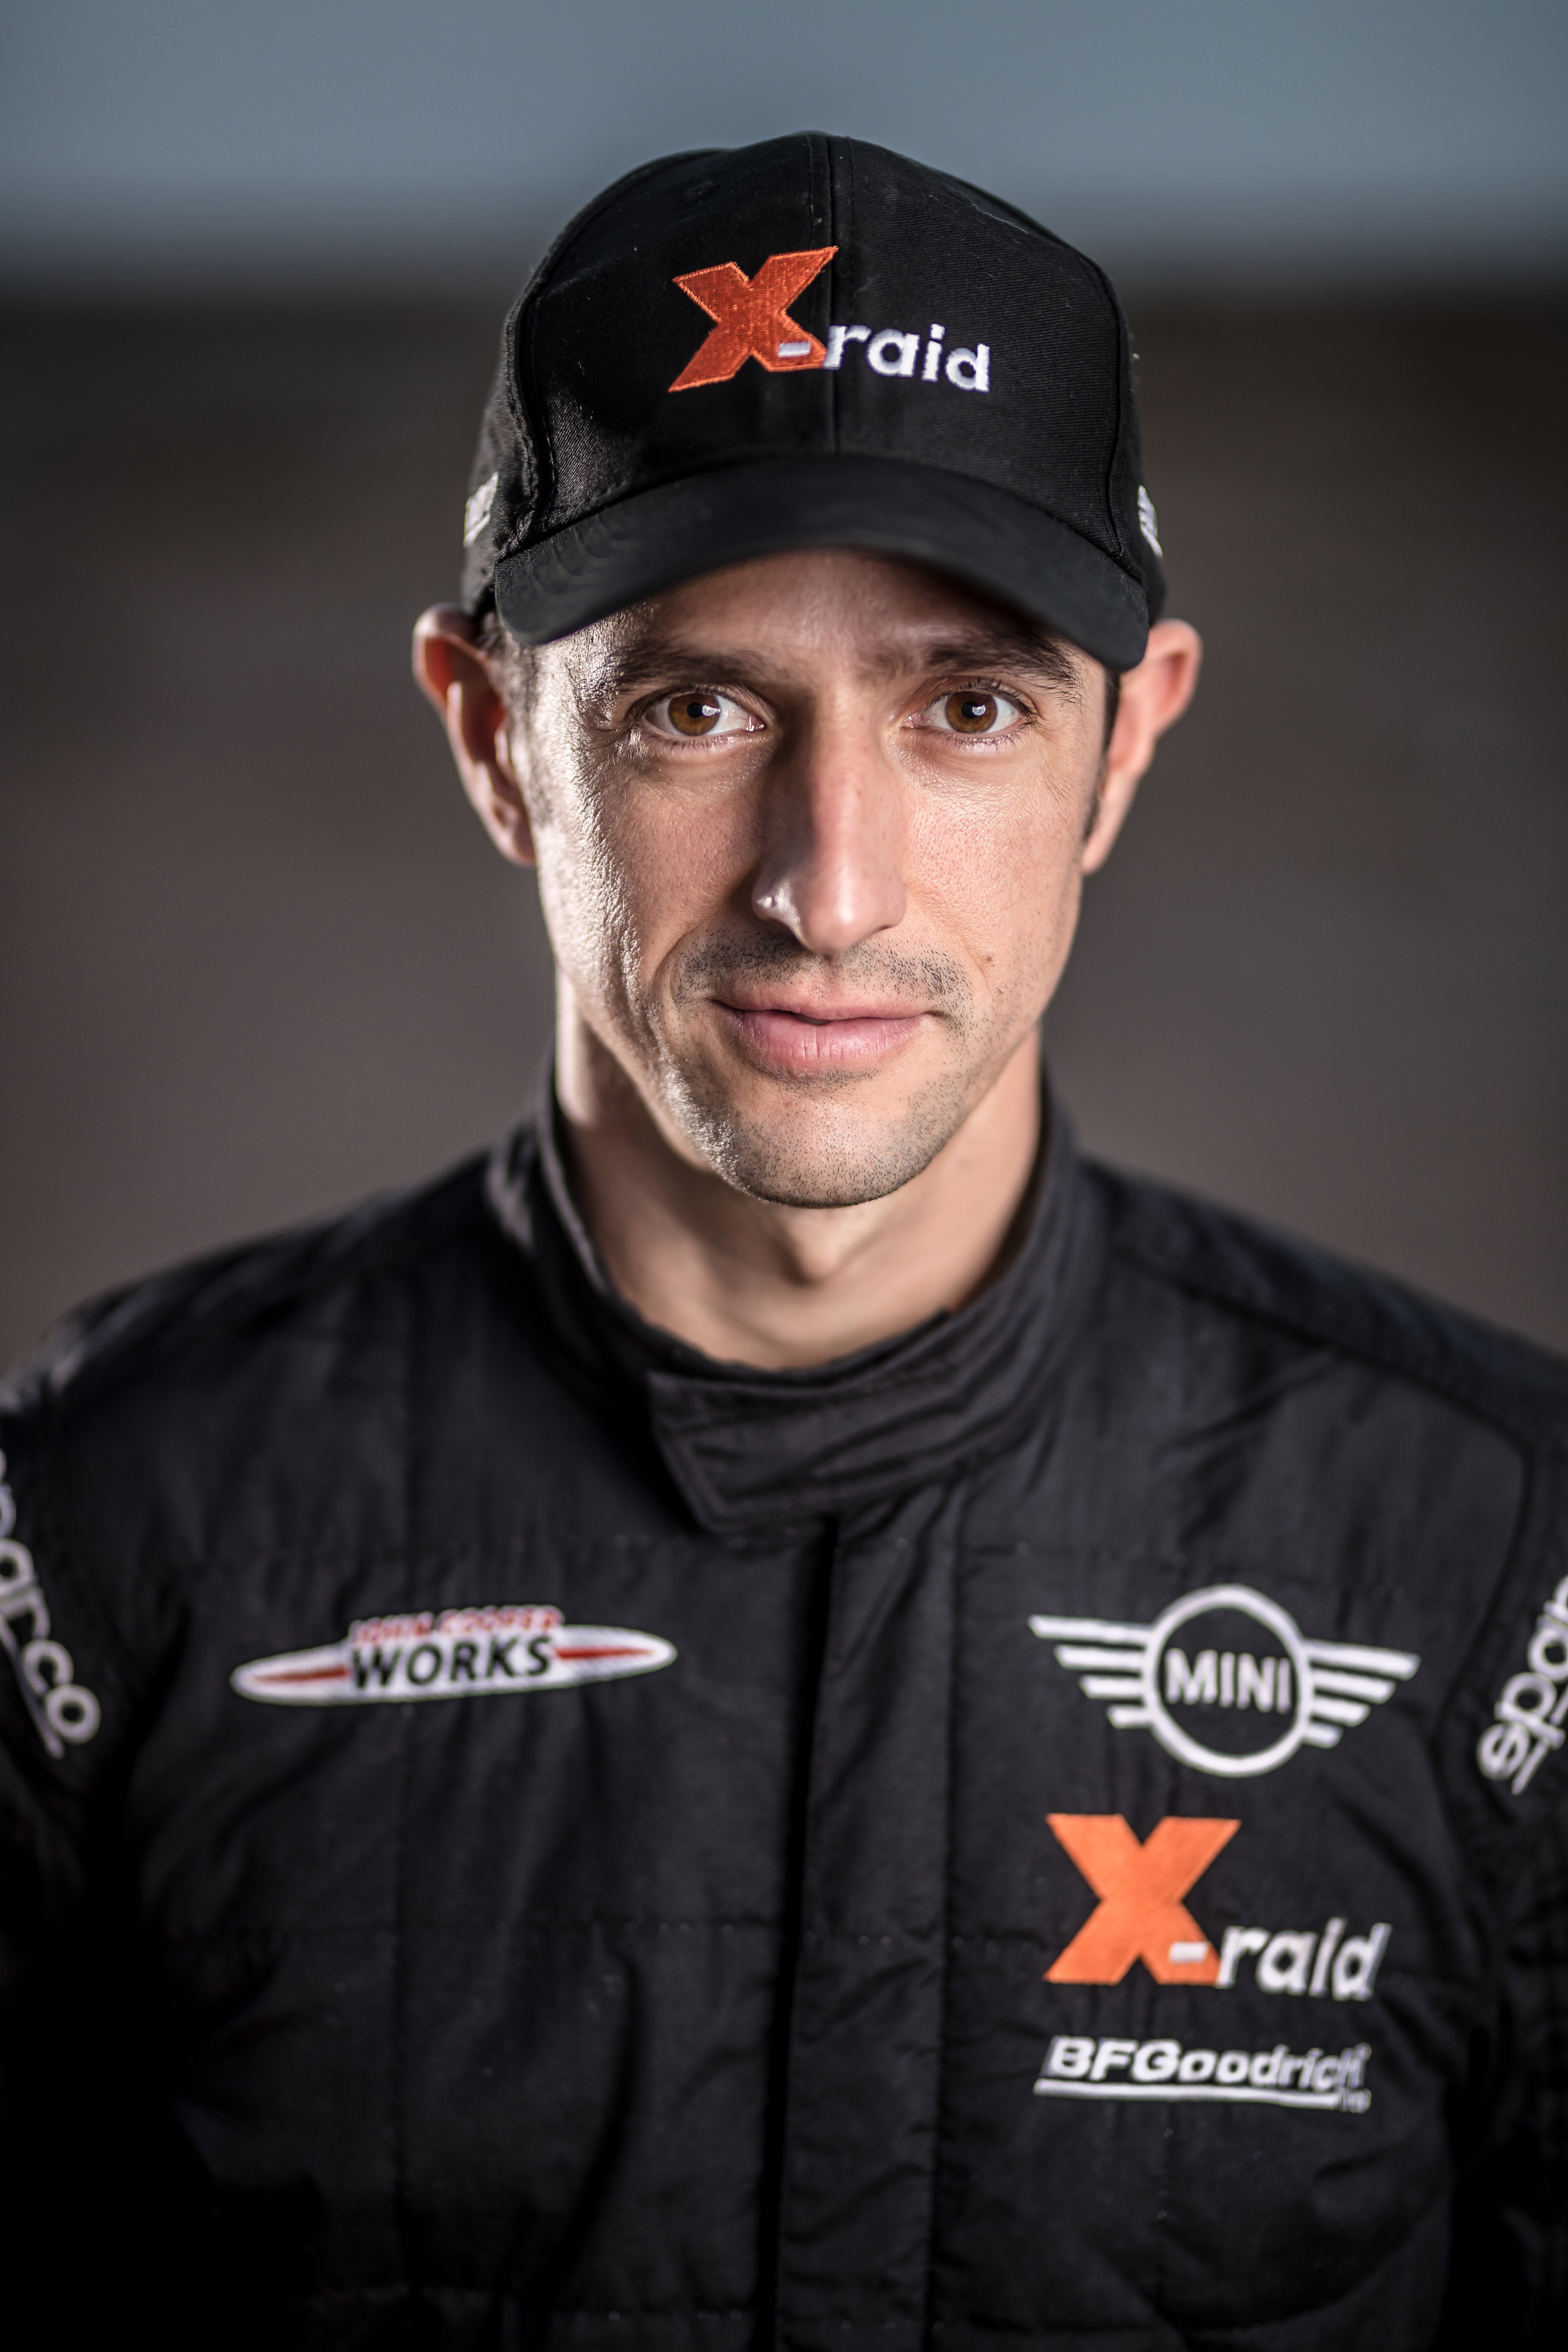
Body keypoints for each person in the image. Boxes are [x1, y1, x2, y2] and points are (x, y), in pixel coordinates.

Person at [0, 132, 1562, 2352]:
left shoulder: (1495, 1560)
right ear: (496, 739)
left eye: (970, 709)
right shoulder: (107, 1529)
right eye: (696, 709)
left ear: (1125, 749)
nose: (829, 886)